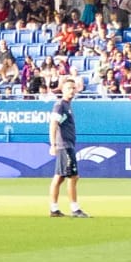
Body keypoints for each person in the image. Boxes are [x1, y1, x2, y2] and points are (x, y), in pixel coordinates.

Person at [47, 77, 88, 218]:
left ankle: (54, 209)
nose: (72, 91)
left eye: (73, 88)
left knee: (59, 177)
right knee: (73, 176)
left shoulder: (67, 105)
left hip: (67, 144)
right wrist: (53, 144)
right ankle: (75, 209)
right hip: (64, 145)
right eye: (69, 88)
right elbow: (53, 124)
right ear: (63, 90)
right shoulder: (60, 105)